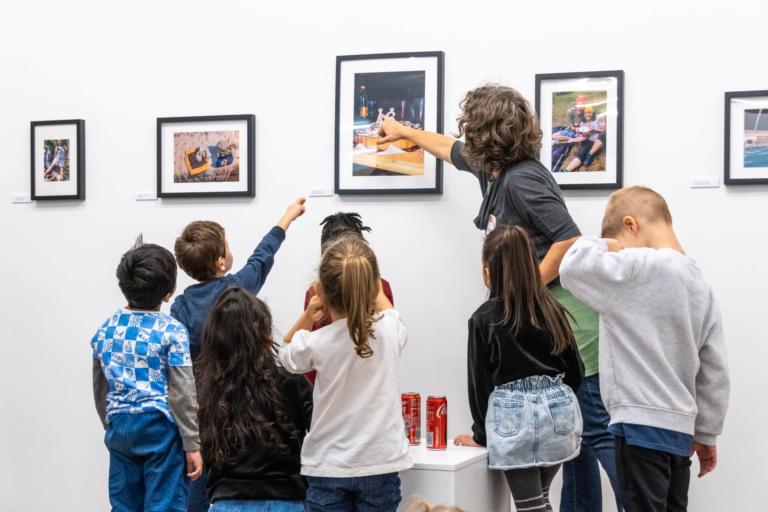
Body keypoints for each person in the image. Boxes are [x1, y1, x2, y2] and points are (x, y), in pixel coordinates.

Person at [378, 85, 621, 511]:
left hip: (568, 322)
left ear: (488, 132)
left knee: (592, 433)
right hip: (548, 318)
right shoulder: (493, 168)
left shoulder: (522, 179)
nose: (465, 134)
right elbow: (449, 149)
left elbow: (569, 240)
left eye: (471, 127)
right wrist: (402, 131)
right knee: (575, 447)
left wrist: (521, 294)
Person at [559, 186, 730, 511]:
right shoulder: (700, 283)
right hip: (679, 435)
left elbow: (571, 267)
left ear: (630, 225)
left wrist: (608, 245)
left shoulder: (636, 267)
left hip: (638, 427)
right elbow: (714, 367)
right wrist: (707, 433)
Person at [171, 197, 306, 512]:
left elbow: (177, 361)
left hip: (203, 404)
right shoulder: (239, 287)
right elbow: (263, 256)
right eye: (228, 245)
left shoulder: (181, 306)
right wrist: (286, 217)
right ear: (221, 261)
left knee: (200, 476)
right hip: (243, 398)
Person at [454, 225, 583, 512]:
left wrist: (480, 436)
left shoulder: (484, 319)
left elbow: (480, 386)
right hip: (558, 416)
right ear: (531, 264)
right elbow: (575, 373)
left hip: (514, 420)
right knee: (541, 500)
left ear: (488, 272)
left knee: (529, 506)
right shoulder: (554, 310)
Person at [279, 235, 412, 511]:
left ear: (321, 292)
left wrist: (308, 316)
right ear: (374, 285)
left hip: (328, 466)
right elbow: (391, 312)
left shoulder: (316, 342)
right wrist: (373, 290)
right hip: (380, 463)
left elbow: (285, 355)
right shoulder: (388, 330)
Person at [91, 239, 203, 512]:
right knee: (164, 503)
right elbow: (182, 393)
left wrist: (111, 423)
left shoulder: (106, 329)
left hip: (119, 426)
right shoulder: (172, 331)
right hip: (159, 427)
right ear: (169, 292)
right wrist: (192, 443)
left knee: (124, 503)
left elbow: (100, 387)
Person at [196, 288, 313, 511]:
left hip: (226, 500)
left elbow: (204, 450)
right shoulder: (291, 381)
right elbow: (320, 431)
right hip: (286, 499)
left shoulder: (207, 387)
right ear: (267, 334)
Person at [302, 211, 395, 384]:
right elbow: (389, 343)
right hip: (373, 388)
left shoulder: (317, 292)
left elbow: (301, 357)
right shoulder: (381, 290)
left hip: (330, 392)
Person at [561, 107, 607, 173]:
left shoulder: (598, 118)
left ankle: (590, 155)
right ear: (583, 114)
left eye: (589, 112)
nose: (588, 114)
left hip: (599, 140)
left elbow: (603, 130)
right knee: (581, 153)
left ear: (593, 113)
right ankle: (567, 170)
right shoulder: (582, 123)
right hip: (589, 141)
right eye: (586, 113)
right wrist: (583, 132)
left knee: (601, 136)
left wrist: (593, 130)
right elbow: (585, 136)